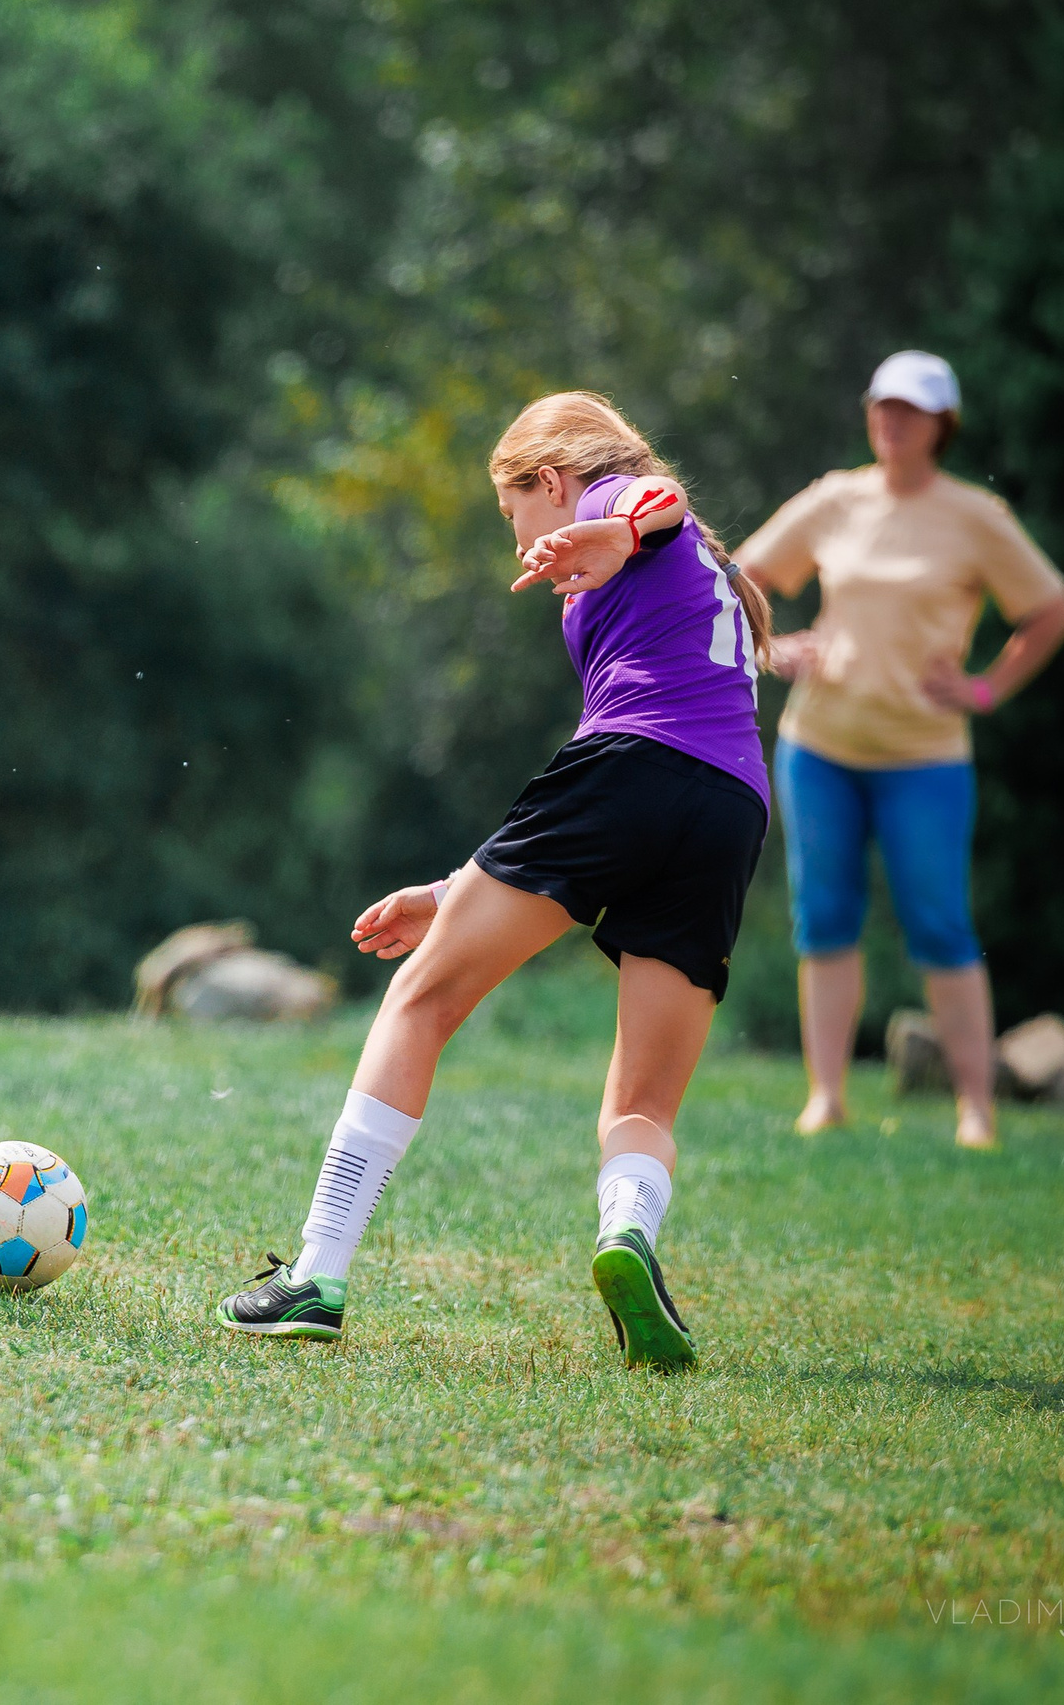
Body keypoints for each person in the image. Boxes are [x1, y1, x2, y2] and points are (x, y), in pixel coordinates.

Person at [216, 392, 772, 1370]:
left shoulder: (620, 503)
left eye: (512, 511)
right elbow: (602, 791)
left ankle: (315, 1275)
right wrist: (453, 887)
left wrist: (604, 528)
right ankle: (626, 1235)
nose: (516, 535)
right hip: (728, 811)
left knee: (419, 999)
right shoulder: (711, 576)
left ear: (550, 481)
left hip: (632, 770)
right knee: (641, 1104)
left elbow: (656, 496)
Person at [739, 351, 1064, 1150]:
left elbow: (1051, 609)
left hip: (925, 756)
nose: (893, 421)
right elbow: (741, 575)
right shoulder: (834, 499)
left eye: (912, 411)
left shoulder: (975, 518)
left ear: (942, 426)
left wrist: (987, 688)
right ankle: (825, 1097)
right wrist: (772, 649)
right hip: (819, 747)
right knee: (823, 919)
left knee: (940, 925)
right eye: (883, 407)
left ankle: (975, 1110)